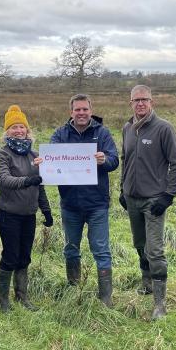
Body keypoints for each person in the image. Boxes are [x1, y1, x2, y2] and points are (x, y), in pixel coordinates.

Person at [119, 85, 176, 320]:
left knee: (154, 250)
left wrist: (168, 196)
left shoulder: (163, 128)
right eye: (136, 100)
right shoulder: (127, 128)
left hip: (154, 200)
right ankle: (146, 281)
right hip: (131, 197)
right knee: (139, 244)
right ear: (130, 103)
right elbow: (125, 159)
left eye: (144, 100)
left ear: (152, 101)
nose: (140, 104)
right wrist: (122, 188)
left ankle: (160, 303)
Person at [50, 94, 119, 307]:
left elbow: (114, 160)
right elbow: (52, 160)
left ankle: (105, 298)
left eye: (85, 109)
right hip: (70, 204)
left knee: (101, 249)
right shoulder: (60, 134)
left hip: (97, 203)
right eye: (77, 109)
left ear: (91, 110)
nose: (81, 113)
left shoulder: (102, 133)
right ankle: (74, 288)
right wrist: (45, 163)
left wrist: (104, 160)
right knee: (71, 248)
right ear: (71, 112)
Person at [0, 105, 53, 313]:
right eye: (14, 127)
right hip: (8, 214)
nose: (18, 131)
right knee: (10, 255)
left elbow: (40, 184)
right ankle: (3, 299)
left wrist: (45, 210)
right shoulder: (2, 155)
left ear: (28, 131)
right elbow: (4, 180)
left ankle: (22, 296)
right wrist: (28, 180)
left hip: (29, 215)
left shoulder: (35, 155)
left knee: (24, 256)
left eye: (22, 127)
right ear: (6, 131)